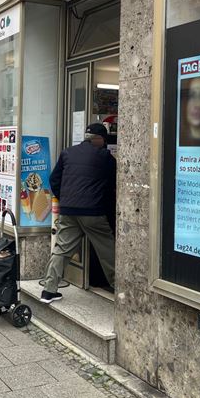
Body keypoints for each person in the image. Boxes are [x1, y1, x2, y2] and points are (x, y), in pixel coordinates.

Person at [40, 123, 117, 303]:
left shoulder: (68, 152)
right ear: (101, 139)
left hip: (69, 211)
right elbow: (112, 186)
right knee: (107, 250)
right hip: (93, 212)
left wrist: (65, 199)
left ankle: (48, 291)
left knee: (62, 249)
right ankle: (121, 291)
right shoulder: (106, 157)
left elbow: (54, 179)